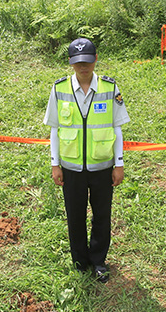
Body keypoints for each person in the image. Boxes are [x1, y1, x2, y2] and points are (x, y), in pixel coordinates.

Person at [44, 37, 130, 283]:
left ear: (95, 60)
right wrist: (55, 164)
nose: (83, 67)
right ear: (71, 62)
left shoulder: (109, 88)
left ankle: (99, 261)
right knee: (75, 216)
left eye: (88, 61)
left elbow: (117, 128)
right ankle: (80, 262)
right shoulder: (59, 89)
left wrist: (119, 163)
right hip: (71, 167)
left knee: (102, 215)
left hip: (102, 166)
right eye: (78, 62)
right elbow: (54, 129)